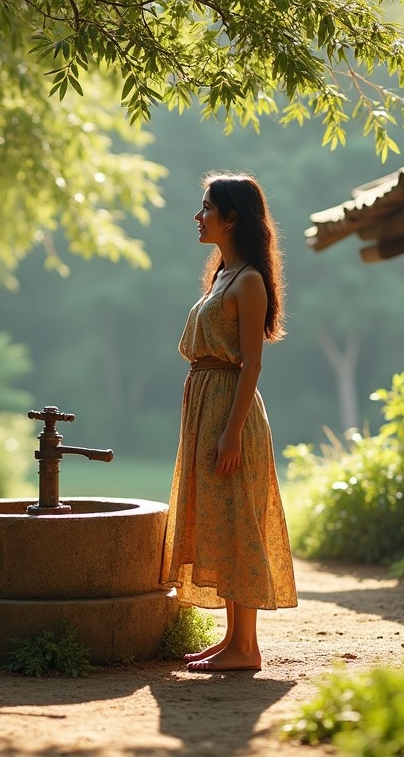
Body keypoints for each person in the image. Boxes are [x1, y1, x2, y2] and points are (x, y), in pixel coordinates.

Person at [160, 171, 298, 672]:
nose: (198, 217)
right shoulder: (222, 274)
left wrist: (231, 432)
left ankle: (246, 648)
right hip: (208, 405)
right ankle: (235, 642)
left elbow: (252, 365)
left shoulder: (250, 281)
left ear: (232, 217)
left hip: (230, 410)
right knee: (222, 519)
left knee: (239, 521)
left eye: (206, 208)